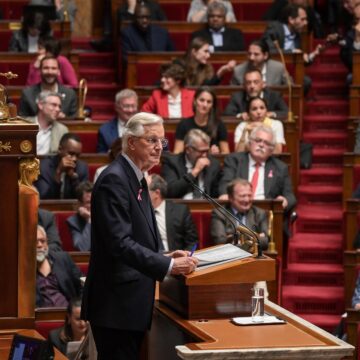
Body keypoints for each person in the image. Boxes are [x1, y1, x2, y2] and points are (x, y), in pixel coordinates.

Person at [81, 112, 198, 359]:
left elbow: (138, 237)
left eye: (162, 142)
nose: (159, 148)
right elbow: (119, 243)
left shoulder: (137, 177)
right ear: (131, 142)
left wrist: (164, 255)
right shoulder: (114, 179)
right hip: (115, 305)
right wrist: (168, 264)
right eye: (152, 140)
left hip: (129, 305)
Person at [218, 125, 296, 214]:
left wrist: (285, 200)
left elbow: (290, 196)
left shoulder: (280, 167)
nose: (261, 145)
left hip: (265, 212)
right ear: (250, 143)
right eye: (258, 140)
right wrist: (225, 194)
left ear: (271, 150)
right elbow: (225, 183)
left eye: (266, 143)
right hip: (237, 209)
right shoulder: (234, 160)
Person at [210, 178, 269, 251]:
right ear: (231, 197)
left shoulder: (259, 213)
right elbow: (220, 241)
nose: (247, 200)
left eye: (249, 195)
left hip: (254, 256)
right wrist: (255, 237)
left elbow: (266, 241)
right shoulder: (219, 213)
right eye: (242, 196)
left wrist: (235, 239)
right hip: (230, 257)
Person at [161, 129, 222, 198]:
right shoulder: (172, 162)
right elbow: (169, 192)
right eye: (201, 151)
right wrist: (194, 172)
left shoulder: (213, 164)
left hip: (206, 206)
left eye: (207, 151)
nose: (205, 155)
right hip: (180, 206)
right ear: (188, 149)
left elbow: (217, 193)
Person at [148, 174, 199, 251]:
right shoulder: (139, 214)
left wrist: (185, 258)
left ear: (157, 193)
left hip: (177, 259)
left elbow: (192, 242)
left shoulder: (180, 211)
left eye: (144, 189)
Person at [36, 225, 83, 308]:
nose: (39, 245)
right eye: (35, 242)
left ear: (47, 243)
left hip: (69, 316)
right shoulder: (21, 270)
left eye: (43, 241)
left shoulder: (63, 259)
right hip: (41, 318)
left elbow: (83, 286)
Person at [174, 86, 230, 154]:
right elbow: (177, 152)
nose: (205, 105)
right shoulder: (183, 124)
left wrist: (217, 153)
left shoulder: (219, 124)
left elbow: (226, 153)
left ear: (212, 105)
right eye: (202, 100)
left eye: (209, 102)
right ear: (195, 101)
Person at [34, 133, 89, 199]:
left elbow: (83, 199)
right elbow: (44, 199)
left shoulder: (82, 168)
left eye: (77, 155)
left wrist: (73, 177)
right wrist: (58, 173)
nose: (74, 159)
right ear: (60, 149)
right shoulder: (44, 167)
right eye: (71, 153)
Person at [223, 68, 289, 120]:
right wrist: (240, 115)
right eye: (248, 83)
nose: (252, 86)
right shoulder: (237, 97)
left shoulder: (274, 96)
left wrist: (273, 114)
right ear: (244, 85)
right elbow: (227, 114)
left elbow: (287, 113)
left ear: (263, 84)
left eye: (256, 82)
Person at [97, 89, 138, 153]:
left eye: (133, 106)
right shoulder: (104, 130)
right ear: (117, 107)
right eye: (126, 106)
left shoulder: (144, 128)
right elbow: (101, 157)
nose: (130, 110)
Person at [28, 91, 69, 155]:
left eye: (59, 106)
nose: (58, 109)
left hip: (50, 164)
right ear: (41, 105)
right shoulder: (24, 124)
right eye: (54, 105)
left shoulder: (62, 130)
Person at [66, 181, 93, 252]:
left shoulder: (106, 217)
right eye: (89, 202)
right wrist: (90, 220)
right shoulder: (73, 222)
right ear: (80, 204)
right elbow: (82, 248)